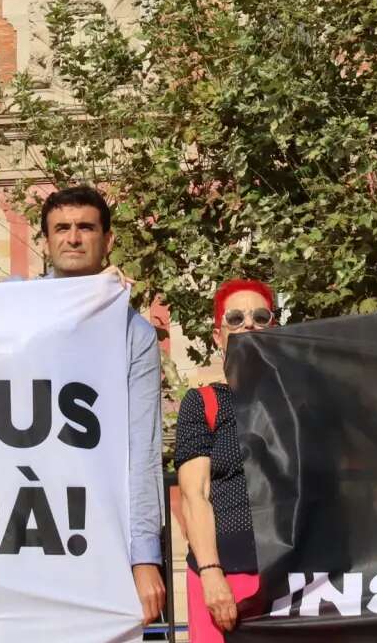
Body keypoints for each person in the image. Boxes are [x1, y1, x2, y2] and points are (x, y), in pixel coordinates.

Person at [40, 185, 167, 625]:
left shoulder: (134, 334)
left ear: (107, 240)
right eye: (62, 228)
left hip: (99, 539)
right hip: (17, 532)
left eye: (85, 227)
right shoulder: (9, 312)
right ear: (46, 241)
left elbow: (142, 449)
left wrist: (144, 557)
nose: (73, 238)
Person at [176, 278, 276, 641]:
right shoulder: (203, 402)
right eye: (235, 318)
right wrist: (211, 572)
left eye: (260, 317)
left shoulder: (296, 400)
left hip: (287, 574)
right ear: (219, 336)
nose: (248, 324)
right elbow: (194, 496)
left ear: (273, 327)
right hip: (225, 575)